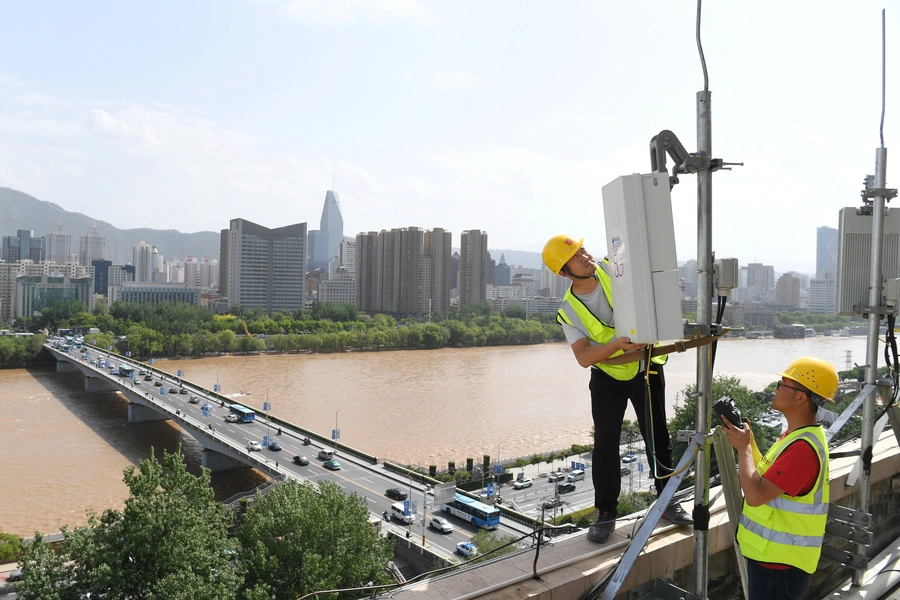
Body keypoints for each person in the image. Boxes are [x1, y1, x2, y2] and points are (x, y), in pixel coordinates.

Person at [542, 234, 693, 545]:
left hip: (645, 367)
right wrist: (614, 346)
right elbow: (583, 357)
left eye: (582, 249)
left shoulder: (613, 271)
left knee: (657, 435)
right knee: (606, 443)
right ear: (563, 272)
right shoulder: (570, 310)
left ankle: (666, 501)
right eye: (575, 255)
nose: (585, 255)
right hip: (607, 378)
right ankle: (606, 512)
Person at [720, 356, 835, 600]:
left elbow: (755, 495)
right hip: (773, 561)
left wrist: (742, 450)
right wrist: (749, 444)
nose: (776, 389)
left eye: (783, 384)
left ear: (800, 397)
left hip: (779, 568)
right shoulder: (797, 436)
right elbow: (768, 476)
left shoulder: (802, 448)